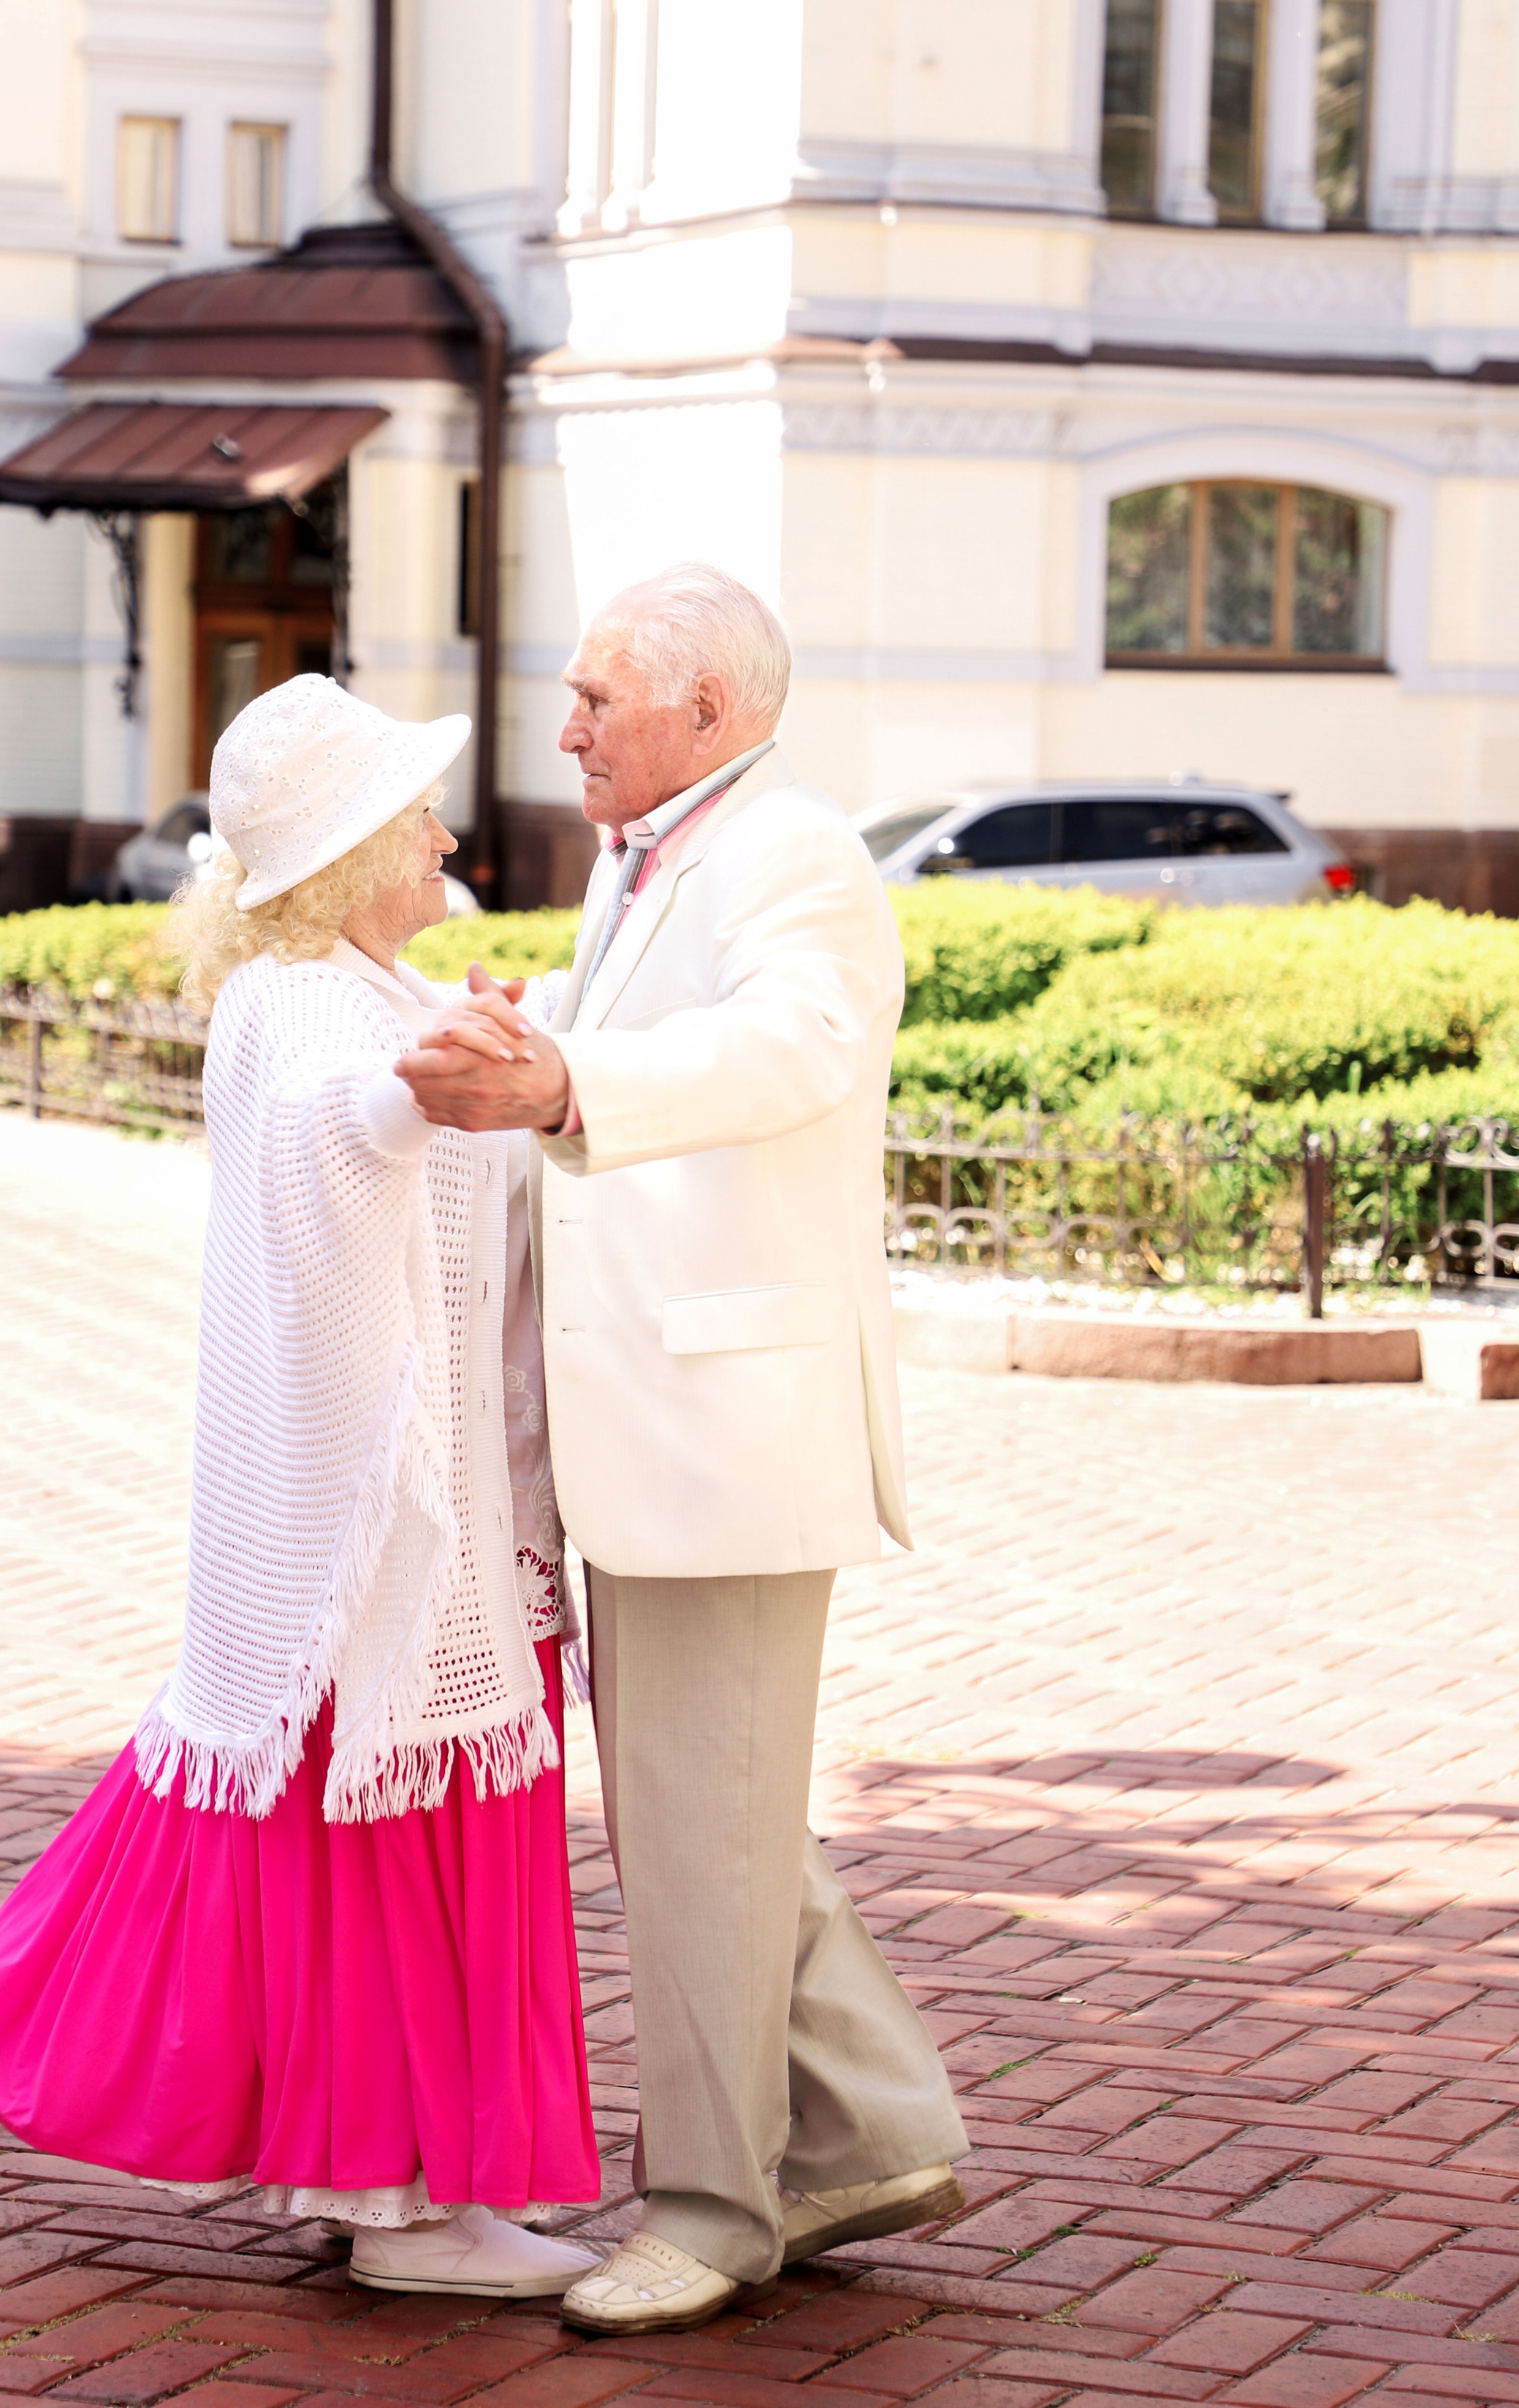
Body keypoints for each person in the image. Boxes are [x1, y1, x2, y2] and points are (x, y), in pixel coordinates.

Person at [0, 674, 601, 2300]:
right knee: (375, 1860)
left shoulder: (371, 987)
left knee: (384, 1854)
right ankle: (400, 2210)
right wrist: (409, 1095)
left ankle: (396, 2181)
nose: (446, 835)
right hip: (382, 1532)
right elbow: (321, 1143)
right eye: (417, 813)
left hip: (446, 1509)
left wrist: (484, 1057)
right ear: (352, 848)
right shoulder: (299, 1006)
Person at [396, 563, 970, 2333]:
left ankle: (718, 2214)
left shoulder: (792, 850)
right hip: (656, 1420)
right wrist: (544, 1039)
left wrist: (567, 1082)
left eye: (596, 698)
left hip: (726, 1427)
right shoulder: (641, 855)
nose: (563, 726)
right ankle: (873, 2134)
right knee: (708, 1823)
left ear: (705, 712)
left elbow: (794, 1047)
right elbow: (648, 1057)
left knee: (703, 1832)